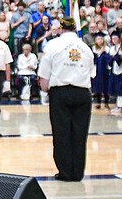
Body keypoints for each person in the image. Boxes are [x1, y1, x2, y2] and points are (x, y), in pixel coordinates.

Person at [37, 18, 95, 182]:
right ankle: (77, 172)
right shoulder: (85, 48)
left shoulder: (53, 45)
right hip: (83, 92)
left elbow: (44, 76)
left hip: (61, 91)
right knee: (79, 133)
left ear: (61, 29)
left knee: (62, 132)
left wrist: (46, 89)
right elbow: (92, 72)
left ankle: (65, 171)